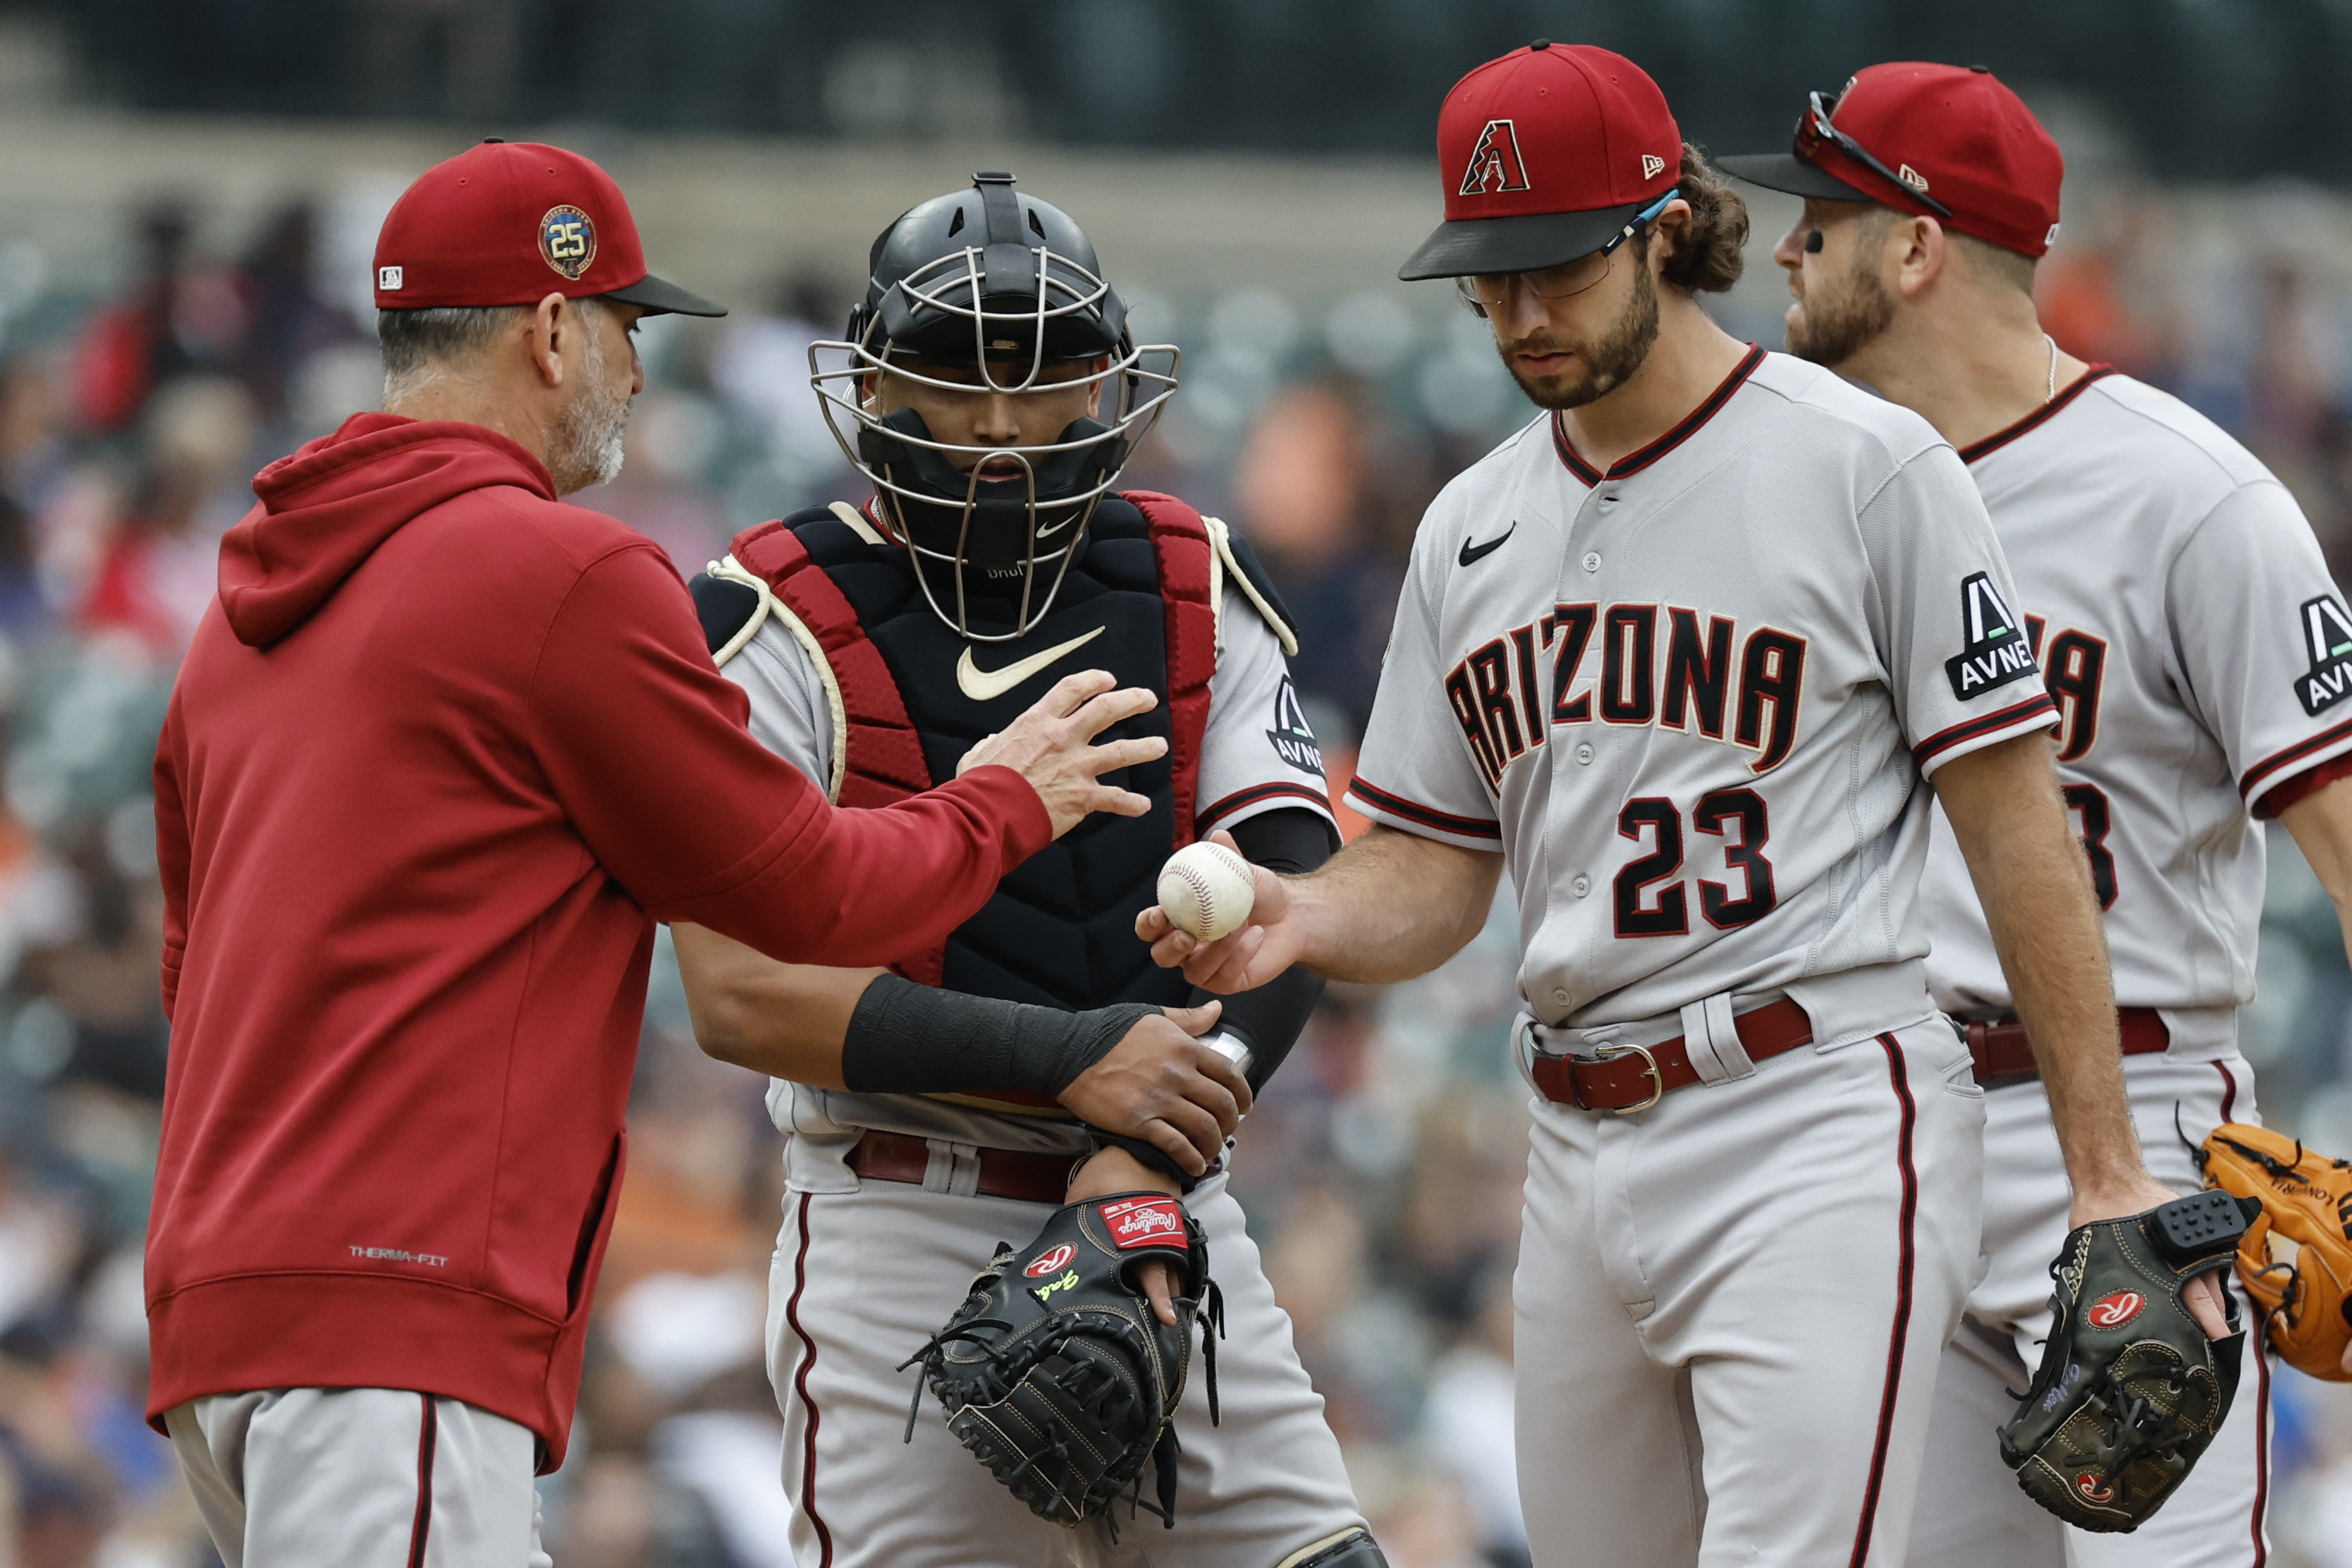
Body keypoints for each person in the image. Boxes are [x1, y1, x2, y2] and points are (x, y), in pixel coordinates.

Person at [1141, 42, 2223, 1568]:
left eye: (1557, 267)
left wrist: (2108, 1172)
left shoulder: (1865, 466)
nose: (1521, 314)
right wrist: (1305, 911)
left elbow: (2017, 819)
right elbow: (1440, 873)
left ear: (1666, 225)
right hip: (1575, 1147)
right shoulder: (1470, 527)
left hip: (1818, 1112)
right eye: (1489, 277)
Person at [147, 140, 1164, 1568]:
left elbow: (188, 971)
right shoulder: (559, 572)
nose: (637, 368)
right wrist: (1005, 795)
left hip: (221, 1309)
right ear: (552, 329)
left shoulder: (232, 610)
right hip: (396, 1304)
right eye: (627, 325)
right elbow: (806, 888)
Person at [673, 172, 1382, 1568]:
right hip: (901, 1207)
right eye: (953, 366)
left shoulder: (1188, 574)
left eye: (1044, 367)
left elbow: (1297, 882)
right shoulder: (773, 612)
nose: (1001, 417)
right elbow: (740, 991)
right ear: (872, 382)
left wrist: (1138, 1142)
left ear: (1109, 381)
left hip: (1162, 1195)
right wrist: (1076, 1062)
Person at [1721, 63, 2352, 1566]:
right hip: (1884, 1126)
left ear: (1918, 248)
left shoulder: (2193, 501)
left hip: (2139, 1128)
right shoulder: (1812, 493)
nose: (1787, 251)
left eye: (1824, 218)